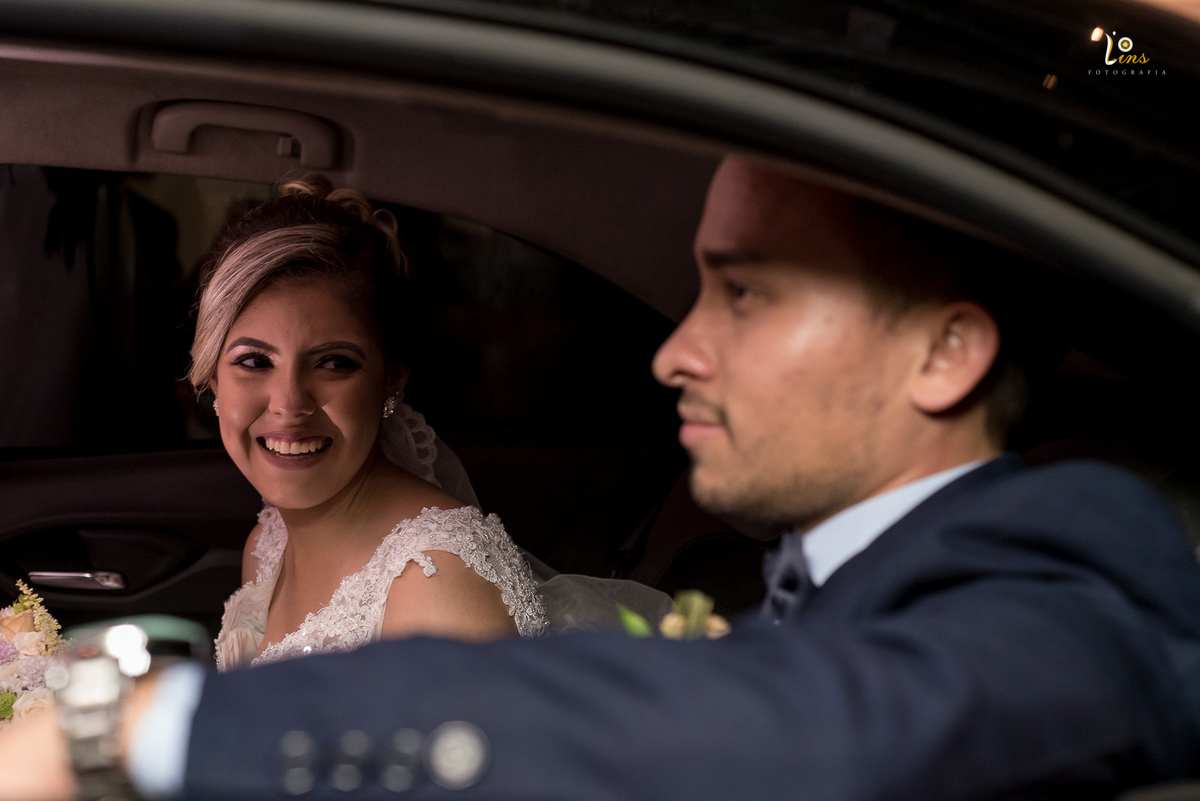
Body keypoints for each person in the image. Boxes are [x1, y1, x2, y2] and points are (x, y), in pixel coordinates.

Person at [3, 155, 1200, 800]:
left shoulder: (1079, 581)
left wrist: (133, 733)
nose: (675, 348)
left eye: (744, 292)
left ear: (947, 351)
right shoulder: (837, 569)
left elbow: (805, 726)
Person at [190, 176, 546, 669]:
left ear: (390, 380)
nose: (290, 404)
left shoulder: (437, 578)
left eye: (334, 362)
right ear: (210, 376)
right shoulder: (268, 545)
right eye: (254, 361)